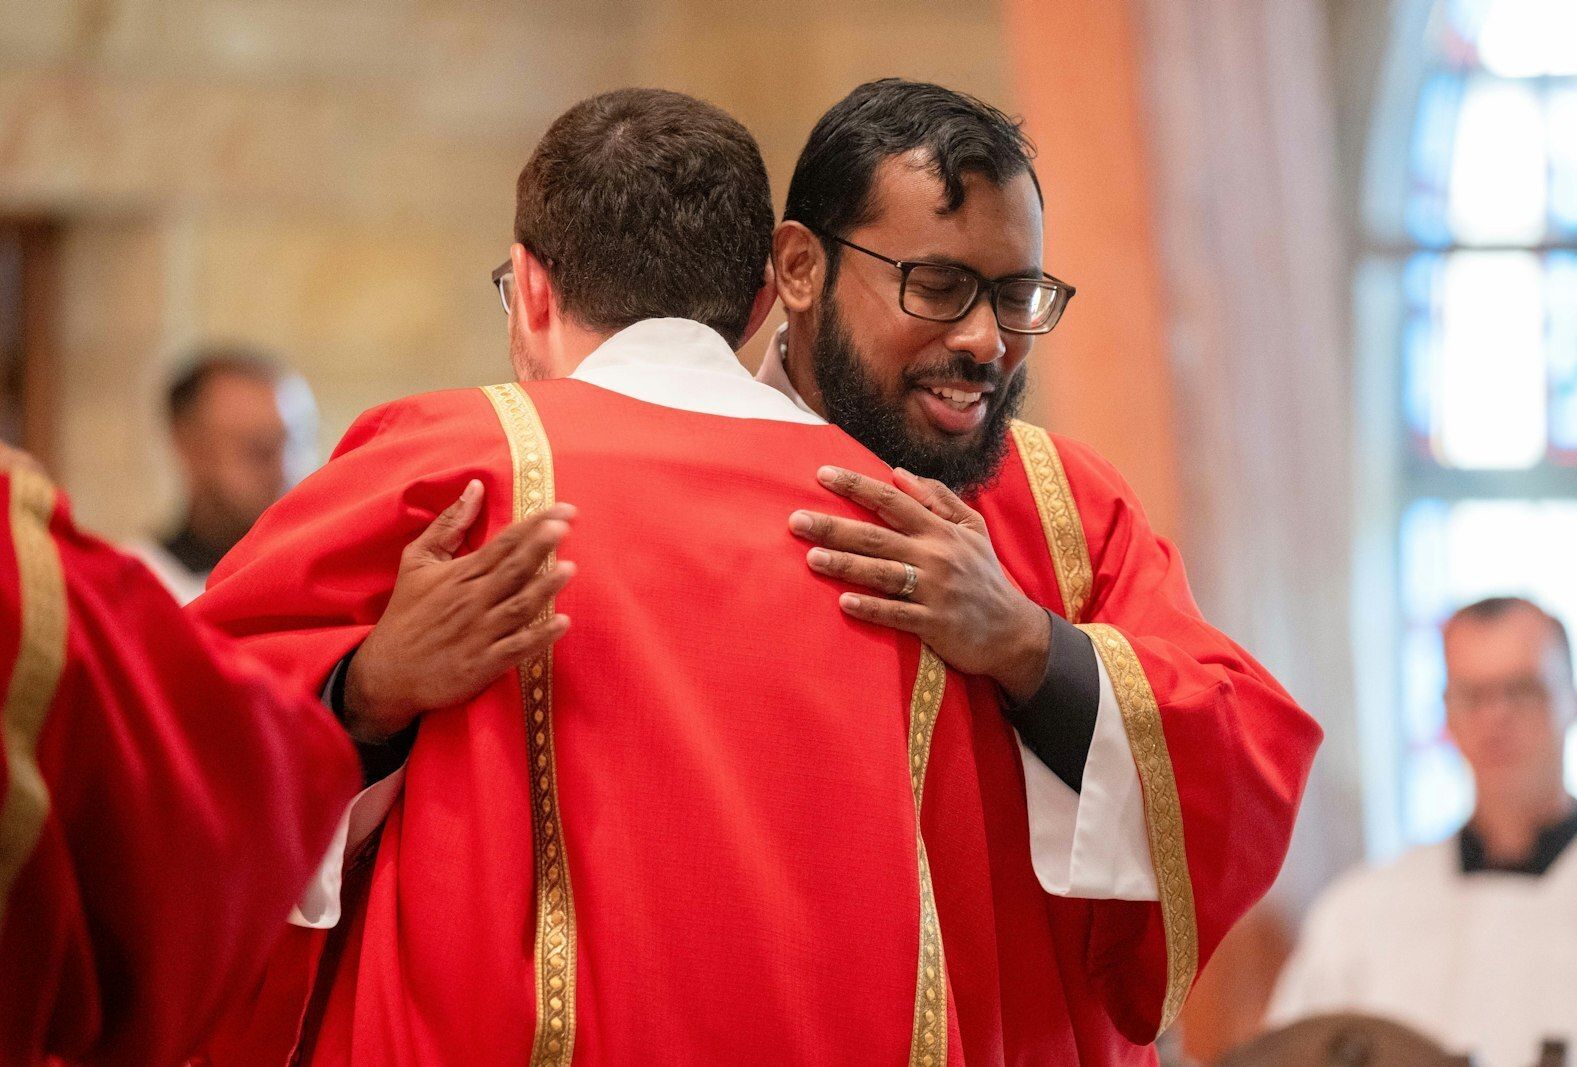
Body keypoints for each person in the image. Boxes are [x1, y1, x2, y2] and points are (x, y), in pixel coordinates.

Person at [321, 80, 1323, 1063]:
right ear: (795, 269)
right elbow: (227, 776)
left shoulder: (1058, 506)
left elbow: (1239, 758)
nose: (984, 342)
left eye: (1017, 296)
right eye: (936, 287)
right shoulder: (554, 476)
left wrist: (1028, 645)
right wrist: (366, 690)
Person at [195, 88, 1055, 1066]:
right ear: (767, 295)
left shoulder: (446, 471)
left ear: (530, 287)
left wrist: (360, 692)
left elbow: (175, 774)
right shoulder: (909, 526)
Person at [0, 444, 357, 1065]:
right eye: (255, 449)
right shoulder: (43, 569)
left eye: (288, 442)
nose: (279, 468)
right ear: (191, 452)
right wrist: (362, 694)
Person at [1268, 596, 1577, 1067]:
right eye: (1473, 695)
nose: (1496, 716)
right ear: (1447, 712)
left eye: (1522, 690)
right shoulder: (1360, 912)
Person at [128, 348, 316, 603]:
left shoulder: (327, 579)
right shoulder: (136, 588)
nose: (287, 470)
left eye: (299, 444)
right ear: (191, 447)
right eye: (260, 450)